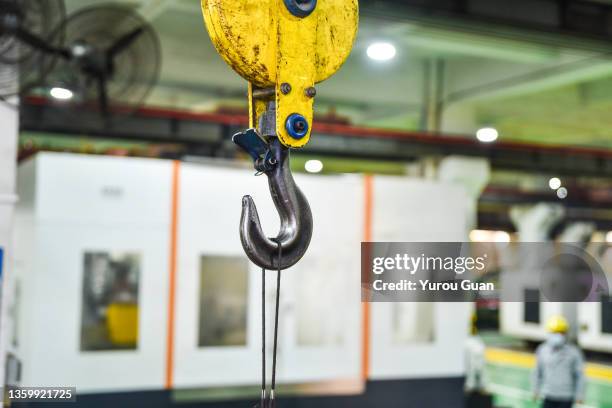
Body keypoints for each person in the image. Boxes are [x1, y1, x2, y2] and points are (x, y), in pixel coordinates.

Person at [533, 316, 586, 408]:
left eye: (560, 332)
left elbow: (579, 376)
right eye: (554, 332)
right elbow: (538, 372)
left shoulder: (574, 352)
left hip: (566, 397)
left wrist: (579, 395)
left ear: (565, 333)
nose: (557, 335)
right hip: (548, 395)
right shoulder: (542, 350)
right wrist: (536, 389)